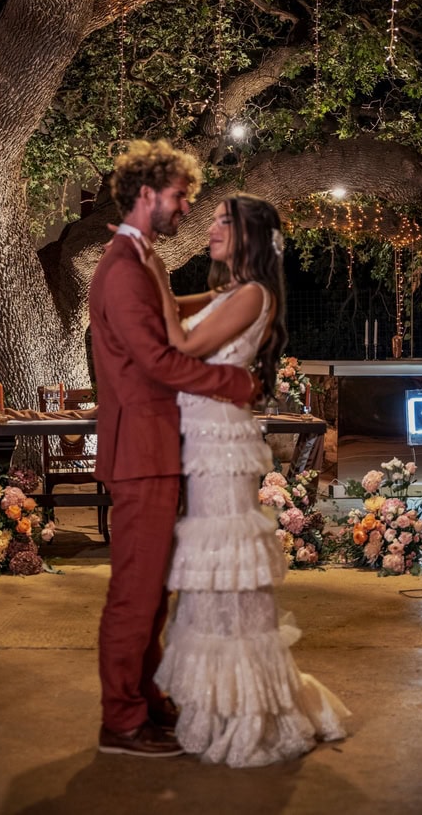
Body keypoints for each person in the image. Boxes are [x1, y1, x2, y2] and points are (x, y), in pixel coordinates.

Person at [134, 193, 350, 767]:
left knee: (224, 560)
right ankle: (220, 701)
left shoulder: (252, 294)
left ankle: (248, 709)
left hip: (221, 444)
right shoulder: (228, 292)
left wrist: (151, 269)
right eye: (212, 219)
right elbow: (169, 309)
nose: (210, 228)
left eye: (223, 222)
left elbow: (183, 344)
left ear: (250, 236)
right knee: (212, 567)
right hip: (201, 436)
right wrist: (146, 270)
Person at [89, 141, 261, 759]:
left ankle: (145, 699)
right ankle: (121, 720)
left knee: (152, 590)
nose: (187, 207)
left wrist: (218, 300)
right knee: (135, 592)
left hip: (156, 449)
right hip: (141, 453)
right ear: (146, 195)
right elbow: (159, 361)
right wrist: (235, 383)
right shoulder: (122, 268)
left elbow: (161, 321)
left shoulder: (140, 260)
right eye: (180, 196)